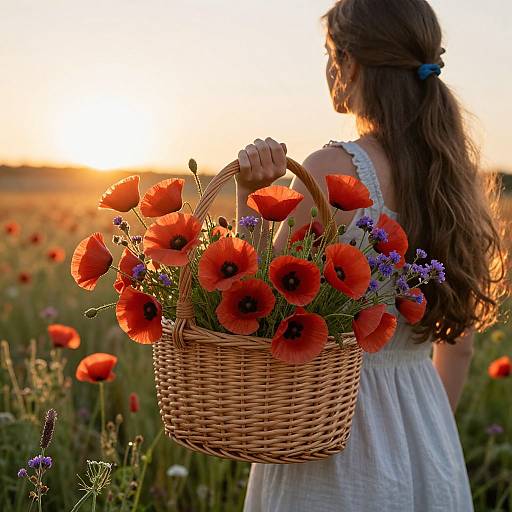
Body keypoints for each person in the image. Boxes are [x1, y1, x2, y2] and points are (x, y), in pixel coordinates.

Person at [235, 0, 507, 510]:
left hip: (328, 439)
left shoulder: (334, 170)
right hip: (427, 434)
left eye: (329, 53)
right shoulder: (452, 177)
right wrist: (422, 431)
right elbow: (461, 346)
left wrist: (250, 195)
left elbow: (257, 317)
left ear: (350, 65)